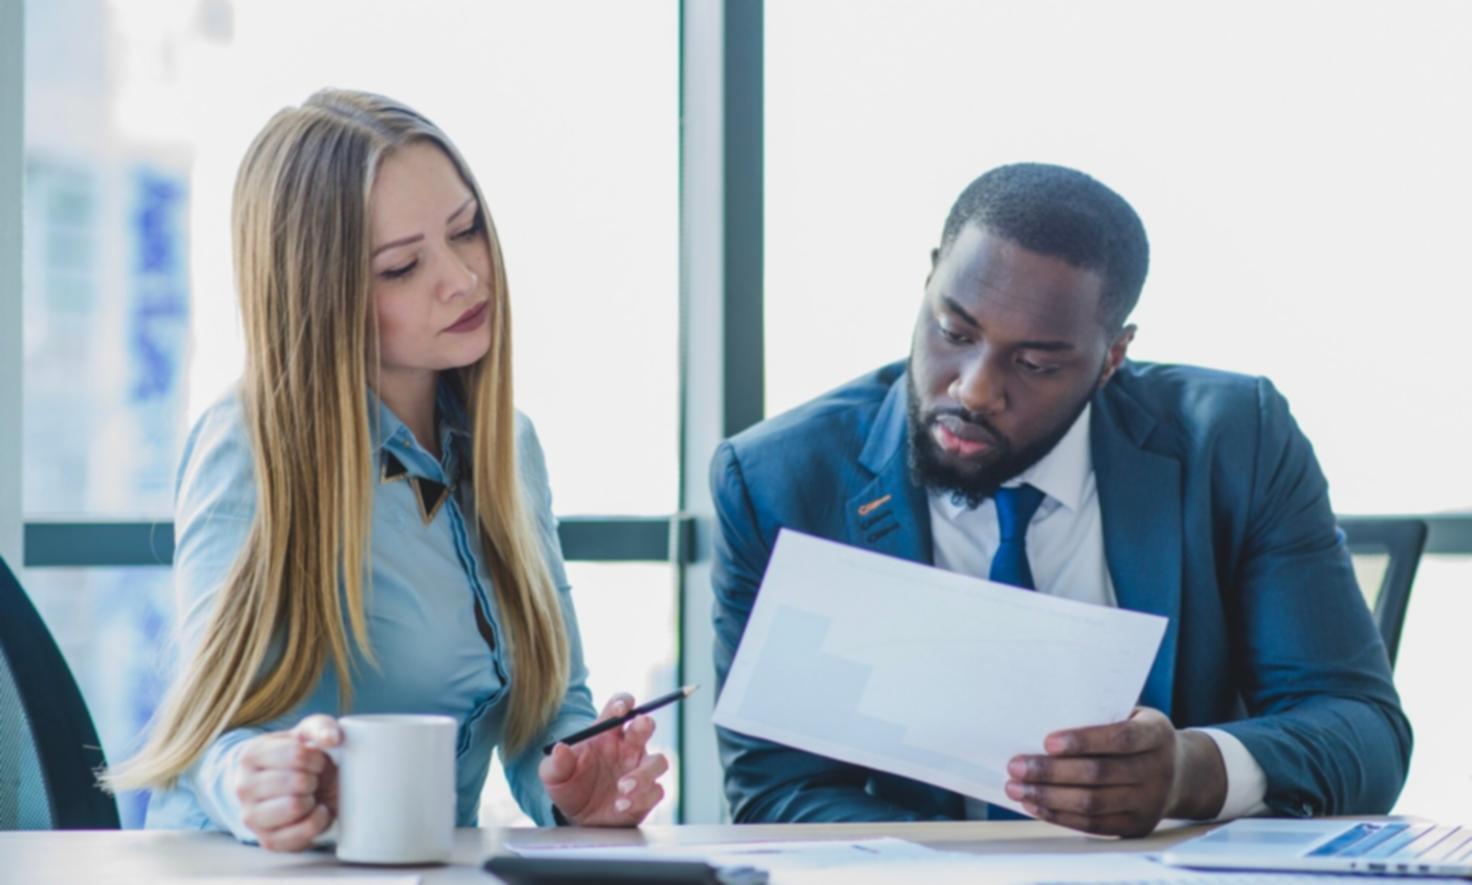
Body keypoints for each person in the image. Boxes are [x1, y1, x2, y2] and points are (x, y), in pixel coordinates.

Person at [710, 163, 1410, 836]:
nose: (975, 390)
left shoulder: (1233, 441)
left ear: (1112, 357)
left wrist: (1187, 772)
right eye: (954, 332)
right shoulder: (778, 483)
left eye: (1036, 364)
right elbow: (778, 789)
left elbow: (1363, 727)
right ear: (929, 279)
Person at [105, 89, 667, 849]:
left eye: (466, 230)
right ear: (322, 295)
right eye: (402, 266)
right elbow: (213, 732)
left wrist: (576, 787)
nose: (464, 278)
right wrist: (255, 782)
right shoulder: (251, 443)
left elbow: (549, 708)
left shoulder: (508, 445)